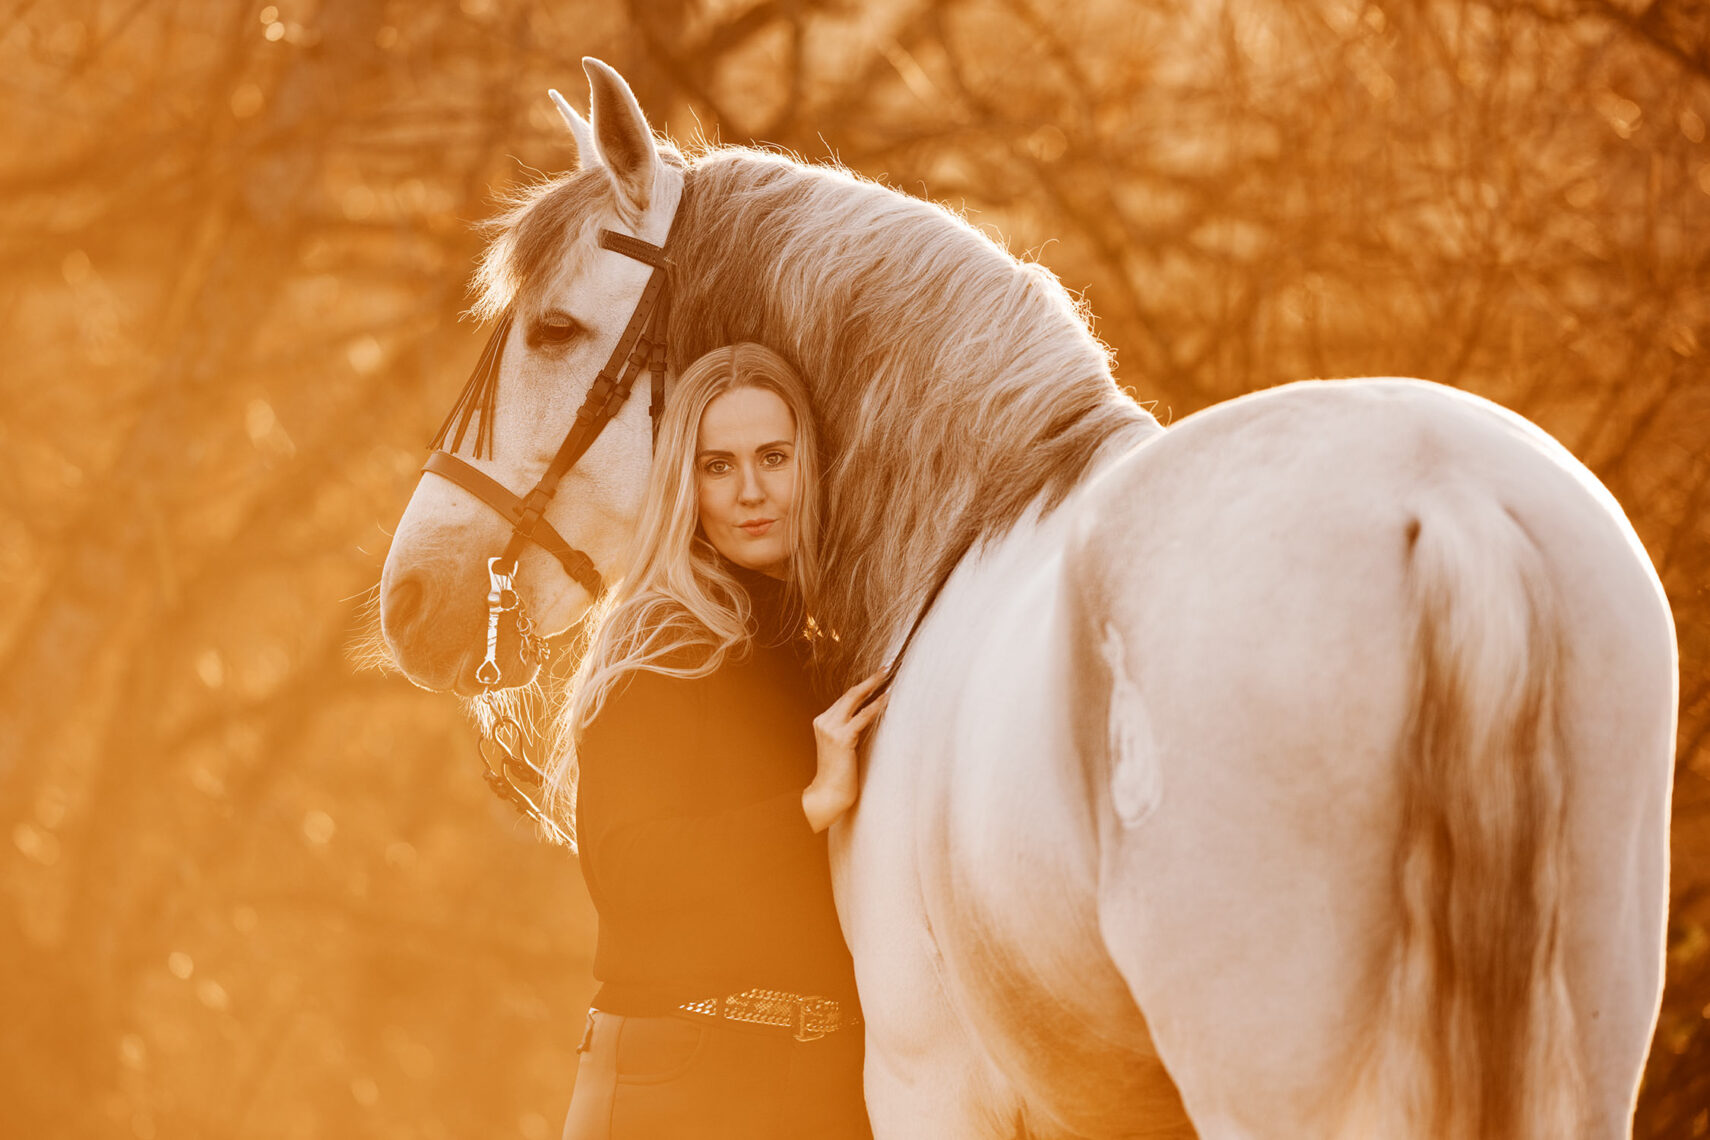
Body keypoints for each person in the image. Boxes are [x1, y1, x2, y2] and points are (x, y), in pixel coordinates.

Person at [546, 342, 886, 1140]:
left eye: (774, 457)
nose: (752, 493)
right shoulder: (662, 642)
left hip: (824, 1086)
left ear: (813, 466)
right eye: (718, 466)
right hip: (681, 1081)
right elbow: (629, 867)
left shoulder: (828, 651)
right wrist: (807, 805)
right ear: (684, 486)